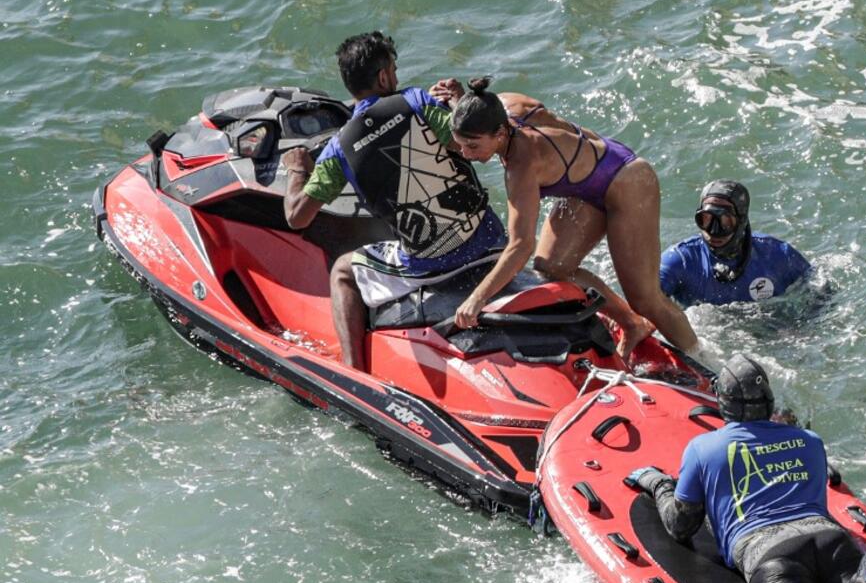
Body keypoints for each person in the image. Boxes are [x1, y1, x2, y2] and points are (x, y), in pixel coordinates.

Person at [626, 354, 866, 583]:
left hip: (771, 555)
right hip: (832, 541)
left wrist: (658, 484)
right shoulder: (810, 441)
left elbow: (681, 525)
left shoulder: (703, 449)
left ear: (723, 402)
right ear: (768, 400)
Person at [282, 32, 505, 370]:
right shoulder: (416, 101)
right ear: (384, 76)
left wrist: (297, 170)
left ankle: (354, 372)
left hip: (430, 265)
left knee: (343, 271)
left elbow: (297, 217)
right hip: (489, 239)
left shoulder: (338, 149)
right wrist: (456, 103)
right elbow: (465, 144)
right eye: (395, 70)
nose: (397, 77)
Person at [435, 77, 699, 359]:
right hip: (586, 183)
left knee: (645, 299)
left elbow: (521, 246)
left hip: (627, 181)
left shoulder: (522, 165)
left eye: (472, 146)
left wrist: (477, 299)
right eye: (462, 144)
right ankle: (633, 324)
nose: (466, 154)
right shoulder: (498, 106)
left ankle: (702, 359)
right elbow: (478, 110)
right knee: (552, 268)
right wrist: (459, 102)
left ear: (499, 133)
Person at [660, 180, 812, 306]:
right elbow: (648, 299)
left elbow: (817, 294)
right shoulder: (681, 261)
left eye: (725, 222)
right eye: (706, 220)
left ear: (741, 221)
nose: (713, 231)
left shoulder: (777, 255)